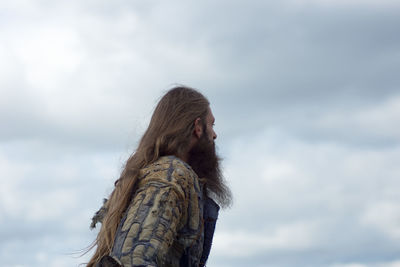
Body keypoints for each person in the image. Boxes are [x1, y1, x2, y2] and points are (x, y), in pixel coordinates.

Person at [87, 86, 232, 267]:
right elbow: (133, 261)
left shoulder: (162, 174)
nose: (214, 134)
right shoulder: (170, 175)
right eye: (212, 125)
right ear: (197, 127)